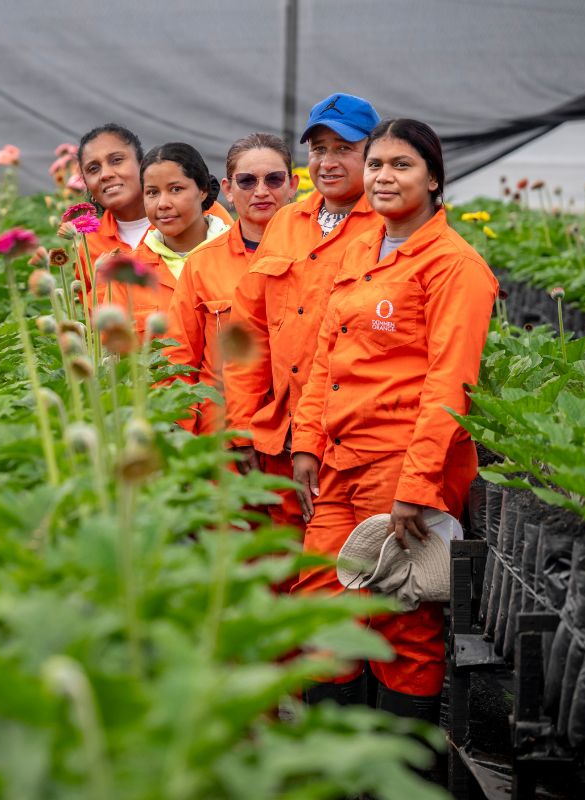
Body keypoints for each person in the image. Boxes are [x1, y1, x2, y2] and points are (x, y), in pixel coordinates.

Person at [289, 119, 498, 718]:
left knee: (400, 621)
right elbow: (326, 353)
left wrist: (418, 484)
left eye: (401, 165)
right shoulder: (363, 248)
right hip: (340, 460)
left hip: (400, 465)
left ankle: (398, 775)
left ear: (434, 179)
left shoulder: (455, 266)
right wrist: (306, 442)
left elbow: (450, 385)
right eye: (376, 163)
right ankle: (337, 763)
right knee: (325, 605)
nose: (383, 176)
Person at [224, 94, 384, 531]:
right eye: (319, 149)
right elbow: (249, 331)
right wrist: (241, 427)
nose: (328, 162)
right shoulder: (287, 221)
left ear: (373, 155)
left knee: (345, 576)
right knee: (281, 572)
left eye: (344, 149)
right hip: (281, 436)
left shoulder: (391, 226)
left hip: (352, 441)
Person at [165, 133, 298, 434]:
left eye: (274, 179)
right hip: (223, 440)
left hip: (297, 437)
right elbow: (178, 360)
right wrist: (182, 441)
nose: (261, 191)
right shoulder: (201, 264)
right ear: (227, 189)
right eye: (247, 181)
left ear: (293, 186)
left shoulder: (319, 258)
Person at [77, 124, 232, 293]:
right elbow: (90, 308)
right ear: (85, 183)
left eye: (117, 160)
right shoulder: (89, 244)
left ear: (142, 165)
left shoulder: (207, 215)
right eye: (93, 169)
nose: (105, 174)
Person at [107, 143, 228, 337]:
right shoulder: (126, 274)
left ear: (203, 190)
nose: (163, 204)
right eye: (152, 192)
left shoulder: (241, 257)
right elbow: (115, 357)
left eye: (176, 189)